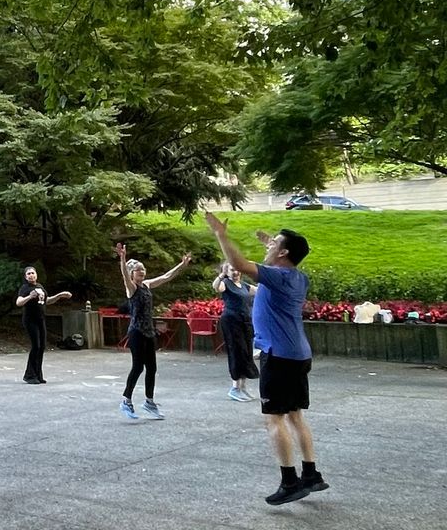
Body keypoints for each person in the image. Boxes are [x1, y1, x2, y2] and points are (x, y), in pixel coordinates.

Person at [205, 215, 328, 505]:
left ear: (284, 253)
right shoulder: (297, 277)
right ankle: (311, 474)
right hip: (298, 354)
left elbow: (239, 265)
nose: (270, 246)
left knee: (274, 419)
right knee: (295, 415)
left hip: (280, 355)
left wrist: (221, 234)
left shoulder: (279, 276)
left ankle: (290, 481)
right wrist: (272, 246)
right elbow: (269, 264)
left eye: (276, 245)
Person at [114, 242, 192, 419]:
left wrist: (182, 265)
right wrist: (123, 258)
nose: (141, 272)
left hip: (149, 332)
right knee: (137, 367)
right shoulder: (131, 288)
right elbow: (124, 276)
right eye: (138, 270)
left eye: (143, 269)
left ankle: (149, 401)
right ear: (132, 273)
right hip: (136, 332)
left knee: (151, 367)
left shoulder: (147, 285)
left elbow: (166, 277)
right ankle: (126, 400)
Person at [14, 267, 73, 384]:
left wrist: (60, 295)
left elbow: (47, 300)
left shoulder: (40, 287)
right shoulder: (25, 288)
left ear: (36, 274)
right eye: (28, 274)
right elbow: (18, 302)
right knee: (36, 346)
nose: (31, 275)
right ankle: (29, 376)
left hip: (40, 319)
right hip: (30, 320)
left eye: (33, 273)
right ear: (26, 277)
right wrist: (30, 296)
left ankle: (38, 375)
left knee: (41, 347)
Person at [213, 260, 259, 401]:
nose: (235, 272)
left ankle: (242, 387)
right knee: (236, 352)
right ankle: (234, 388)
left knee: (246, 353)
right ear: (226, 272)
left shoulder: (244, 286)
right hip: (231, 322)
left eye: (237, 269)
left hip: (245, 322)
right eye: (232, 270)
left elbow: (260, 291)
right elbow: (216, 287)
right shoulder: (225, 284)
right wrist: (221, 276)